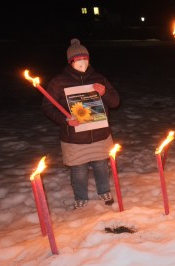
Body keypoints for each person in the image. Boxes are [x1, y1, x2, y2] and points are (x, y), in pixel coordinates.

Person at [42, 38, 120, 209]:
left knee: (101, 165)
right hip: (74, 137)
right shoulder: (58, 82)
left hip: (99, 134)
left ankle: (104, 190)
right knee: (78, 170)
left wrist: (105, 92)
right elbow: (47, 106)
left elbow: (115, 102)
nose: (82, 62)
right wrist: (65, 119)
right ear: (70, 62)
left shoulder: (99, 78)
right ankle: (80, 196)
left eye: (85, 59)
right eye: (78, 60)